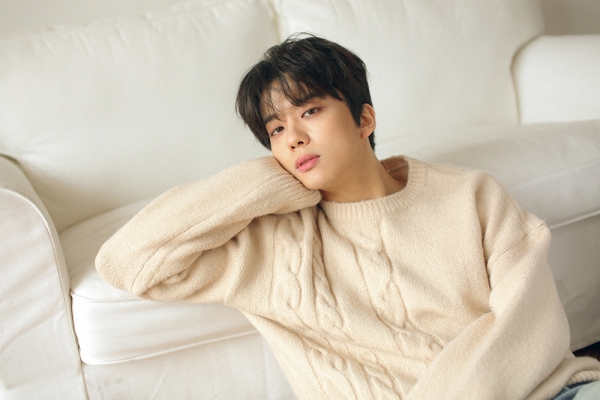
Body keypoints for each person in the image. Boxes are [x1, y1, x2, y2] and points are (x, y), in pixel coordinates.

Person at [96, 34, 600, 399]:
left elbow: (529, 323)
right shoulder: (271, 245)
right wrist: (267, 181)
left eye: (309, 111)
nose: (293, 137)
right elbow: (126, 261)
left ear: (364, 118)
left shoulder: (470, 195)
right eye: (275, 130)